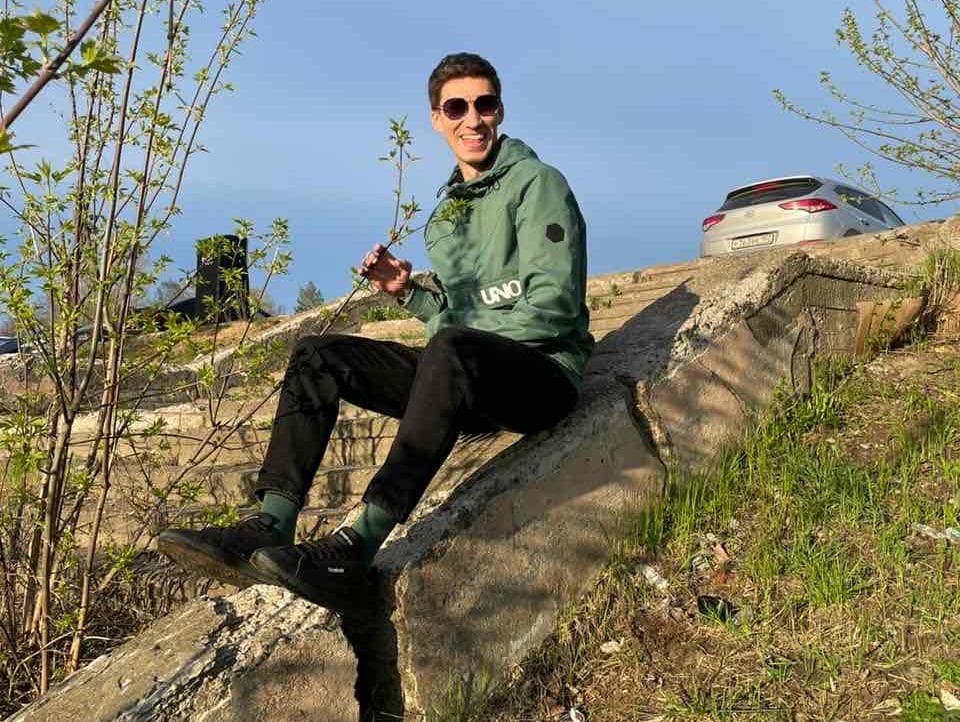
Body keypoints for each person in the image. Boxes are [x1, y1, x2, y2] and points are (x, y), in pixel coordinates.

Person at [158, 52, 594, 615]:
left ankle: (357, 546)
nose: (472, 119)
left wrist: (456, 334)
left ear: (500, 111)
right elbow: (454, 319)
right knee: (317, 356)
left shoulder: (538, 184)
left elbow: (554, 306)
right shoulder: (445, 215)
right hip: (467, 374)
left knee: (450, 349)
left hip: (542, 375)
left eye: (484, 105)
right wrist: (408, 293)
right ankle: (270, 522)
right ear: (436, 119)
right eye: (456, 108)